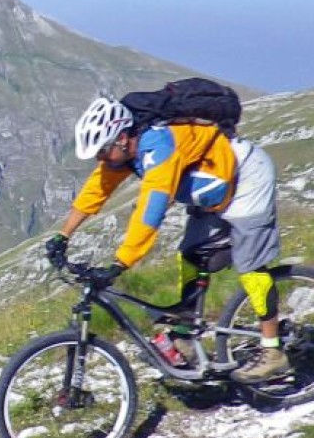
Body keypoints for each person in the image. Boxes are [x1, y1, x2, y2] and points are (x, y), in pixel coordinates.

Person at [45, 95, 284, 383]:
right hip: (214, 192)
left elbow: (152, 210)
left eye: (103, 151)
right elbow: (95, 191)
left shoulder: (158, 148)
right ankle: (185, 333)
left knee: (250, 267)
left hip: (247, 180)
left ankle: (273, 352)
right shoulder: (122, 154)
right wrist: (63, 234)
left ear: (122, 138)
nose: (101, 159)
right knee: (192, 254)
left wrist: (121, 262)